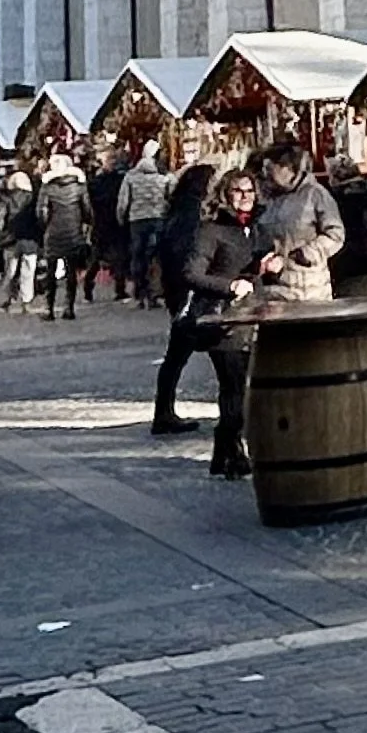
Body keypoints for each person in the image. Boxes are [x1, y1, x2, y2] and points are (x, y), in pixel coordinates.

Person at [180, 165, 262, 480]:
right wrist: (229, 287)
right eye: (238, 191)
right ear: (225, 195)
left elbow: (253, 265)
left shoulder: (253, 228)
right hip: (222, 322)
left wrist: (270, 264)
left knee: (239, 390)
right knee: (234, 390)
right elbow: (192, 273)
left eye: (250, 191)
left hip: (251, 319)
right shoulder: (210, 230)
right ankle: (233, 454)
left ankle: (222, 453)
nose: (245, 197)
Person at [150, 161, 215, 437]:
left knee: (177, 354)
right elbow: (184, 250)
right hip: (188, 290)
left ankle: (163, 411)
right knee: (214, 351)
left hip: (178, 288)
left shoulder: (178, 208)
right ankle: (163, 413)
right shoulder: (191, 212)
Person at [251, 141, 347, 306]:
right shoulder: (268, 198)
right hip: (274, 290)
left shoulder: (315, 194)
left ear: (287, 168)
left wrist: (306, 254)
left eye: (270, 168)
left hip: (309, 290)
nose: (266, 174)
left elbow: (335, 234)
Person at [36, 151, 92, 319]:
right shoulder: (79, 186)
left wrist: (45, 226)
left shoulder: (47, 186)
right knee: (71, 272)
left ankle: (49, 308)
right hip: (73, 231)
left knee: (51, 271)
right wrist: (86, 223)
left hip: (53, 232)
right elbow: (87, 209)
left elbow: (41, 211)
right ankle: (69, 307)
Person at [117, 142, 172, 306]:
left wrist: (121, 218)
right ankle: (154, 293)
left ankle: (139, 293)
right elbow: (170, 198)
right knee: (154, 256)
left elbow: (123, 201)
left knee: (138, 256)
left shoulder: (131, 176)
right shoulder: (163, 177)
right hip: (157, 219)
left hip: (137, 221)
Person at [0, 162, 41, 311]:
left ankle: (8, 297)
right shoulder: (34, 197)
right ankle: (26, 301)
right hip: (30, 236)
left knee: (10, 270)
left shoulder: (6, 199)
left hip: (11, 238)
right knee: (28, 270)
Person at [88, 145, 128, 302]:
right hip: (108, 222)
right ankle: (90, 287)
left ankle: (119, 289)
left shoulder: (99, 182)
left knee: (114, 257)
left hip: (107, 222)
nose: (112, 163)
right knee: (103, 257)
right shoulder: (112, 181)